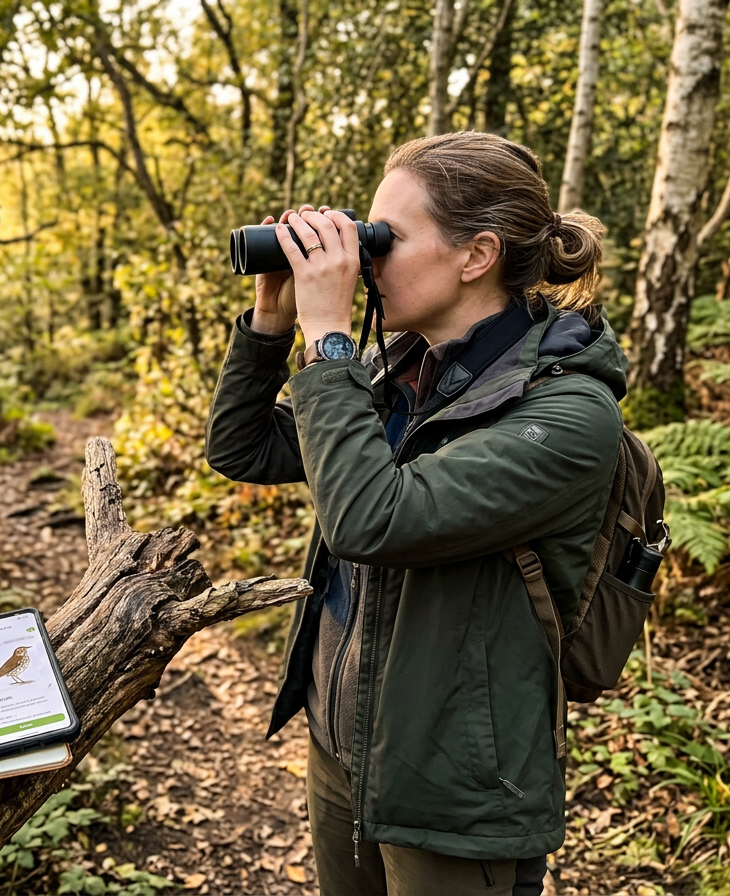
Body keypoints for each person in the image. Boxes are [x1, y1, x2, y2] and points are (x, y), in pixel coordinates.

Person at [205, 131, 625, 896]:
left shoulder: (565, 412)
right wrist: (274, 319)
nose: (362, 260)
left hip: (453, 794)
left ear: (477, 255)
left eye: (384, 239)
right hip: (344, 748)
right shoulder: (403, 369)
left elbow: (372, 520)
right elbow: (243, 449)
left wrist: (328, 343)